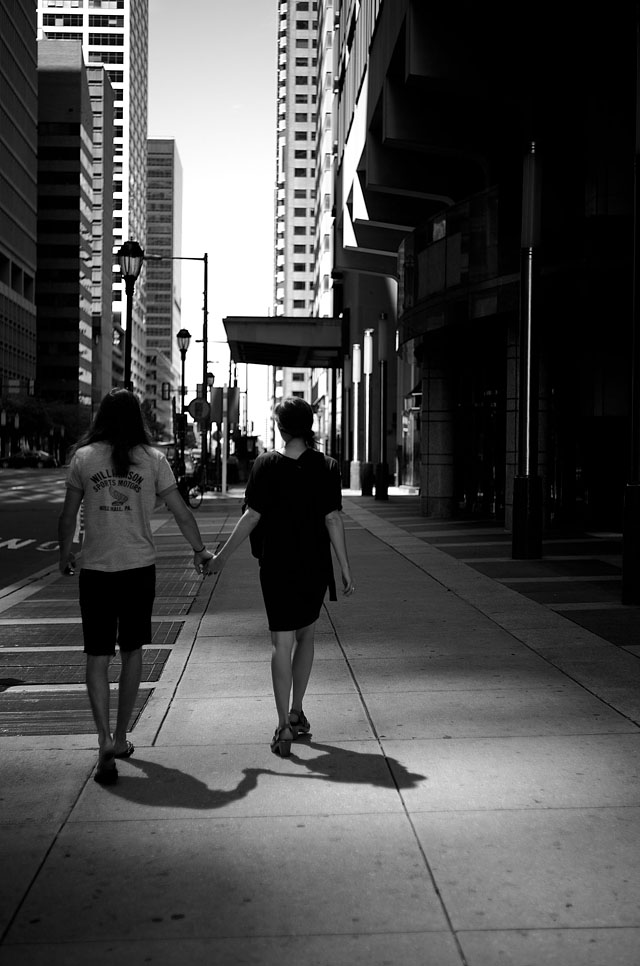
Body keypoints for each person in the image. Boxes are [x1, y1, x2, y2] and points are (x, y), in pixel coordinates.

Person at [58, 389, 213, 785]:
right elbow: (180, 511)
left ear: (102, 418)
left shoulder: (83, 458)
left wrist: (65, 553)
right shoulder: (154, 460)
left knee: (96, 654)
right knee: (131, 651)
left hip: (96, 569)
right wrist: (199, 550)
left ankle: (103, 739)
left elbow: (68, 513)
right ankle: (123, 736)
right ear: (137, 419)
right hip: (138, 570)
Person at [209, 396, 355, 758]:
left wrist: (221, 557)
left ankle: (282, 726)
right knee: (306, 634)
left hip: (275, 564)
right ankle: (297, 710)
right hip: (314, 565)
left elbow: (252, 516)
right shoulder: (328, 466)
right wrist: (345, 568)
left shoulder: (265, 465)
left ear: (281, 427)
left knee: (281, 642)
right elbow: (333, 518)